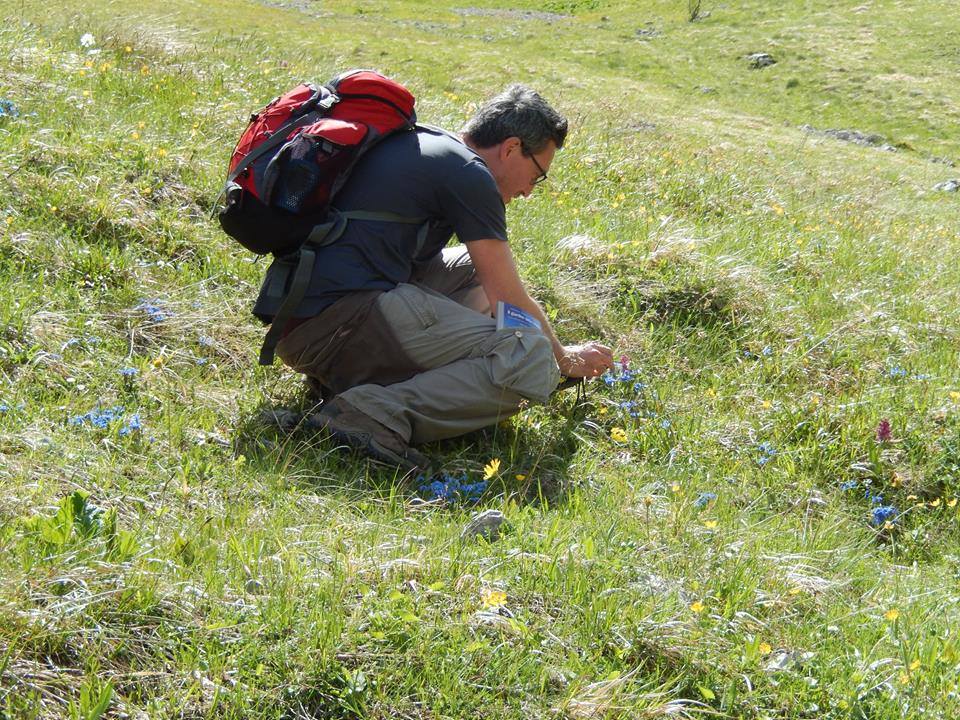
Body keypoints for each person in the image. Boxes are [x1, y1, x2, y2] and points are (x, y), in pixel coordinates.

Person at [253, 83, 614, 471]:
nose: (529, 191)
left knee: (474, 267)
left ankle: (362, 382)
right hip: (336, 324)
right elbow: (508, 297)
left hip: (304, 316)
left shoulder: (430, 143)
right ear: (510, 148)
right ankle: (370, 413)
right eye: (537, 175)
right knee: (533, 363)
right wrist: (563, 359)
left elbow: (496, 284)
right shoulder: (469, 175)